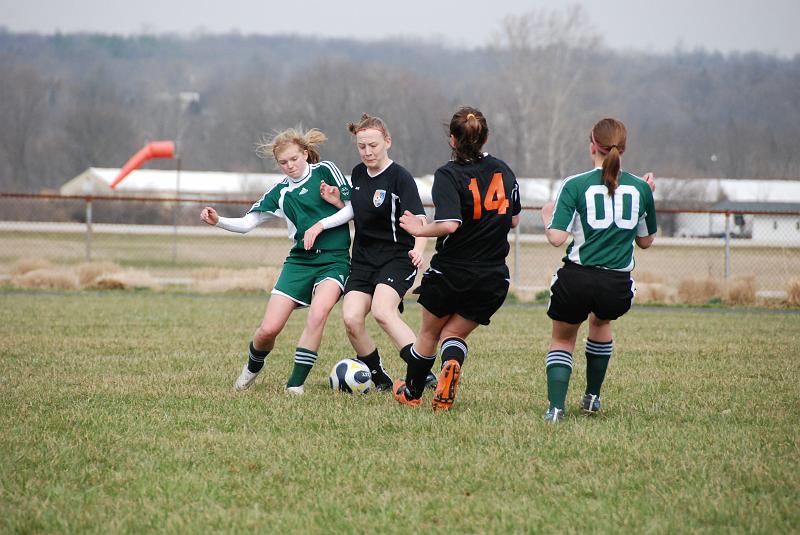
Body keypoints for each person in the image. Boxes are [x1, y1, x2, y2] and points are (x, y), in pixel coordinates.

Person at [200, 127, 353, 395]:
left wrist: (320, 225)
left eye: (294, 159)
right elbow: (248, 223)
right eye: (284, 162)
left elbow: (353, 208)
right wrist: (219, 221)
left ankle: (295, 385)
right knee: (267, 330)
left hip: (334, 260)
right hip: (299, 263)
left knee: (318, 315)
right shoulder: (280, 191)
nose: (290, 166)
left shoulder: (326, 170)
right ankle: (251, 369)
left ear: (305, 153)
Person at [393, 106, 521, 411]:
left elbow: (450, 224)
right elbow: (514, 221)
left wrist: (419, 229)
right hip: (492, 276)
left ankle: (411, 394)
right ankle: (450, 369)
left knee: (428, 333)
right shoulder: (504, 170)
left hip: (452, 271)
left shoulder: (448, 174)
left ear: (452, 139)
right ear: (486, 137)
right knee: (453, 335)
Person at [539, 117, 657, 422]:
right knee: (601, 325)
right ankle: (592, 397)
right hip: (616, 283)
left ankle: (555, 409)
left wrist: (547, 217)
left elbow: (556, 238)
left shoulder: (575, 184)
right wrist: (647, 196)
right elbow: (646, 241)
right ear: (623, 148)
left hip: (578, 277)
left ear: (592, 144)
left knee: (563, 339)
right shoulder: (641, 188)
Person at [319, 113, 434, 391]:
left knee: (383, 312)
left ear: (387, 142)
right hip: (363, 261)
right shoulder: (358, 174)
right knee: (351, 319)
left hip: (397, 258)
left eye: (373, 145)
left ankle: (422, 372)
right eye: (362, 146)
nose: (368, 152)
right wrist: (338, 203)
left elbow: (420, 222)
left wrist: (419, 251)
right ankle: (378, 376)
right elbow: (362, 215)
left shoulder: (400, 178)